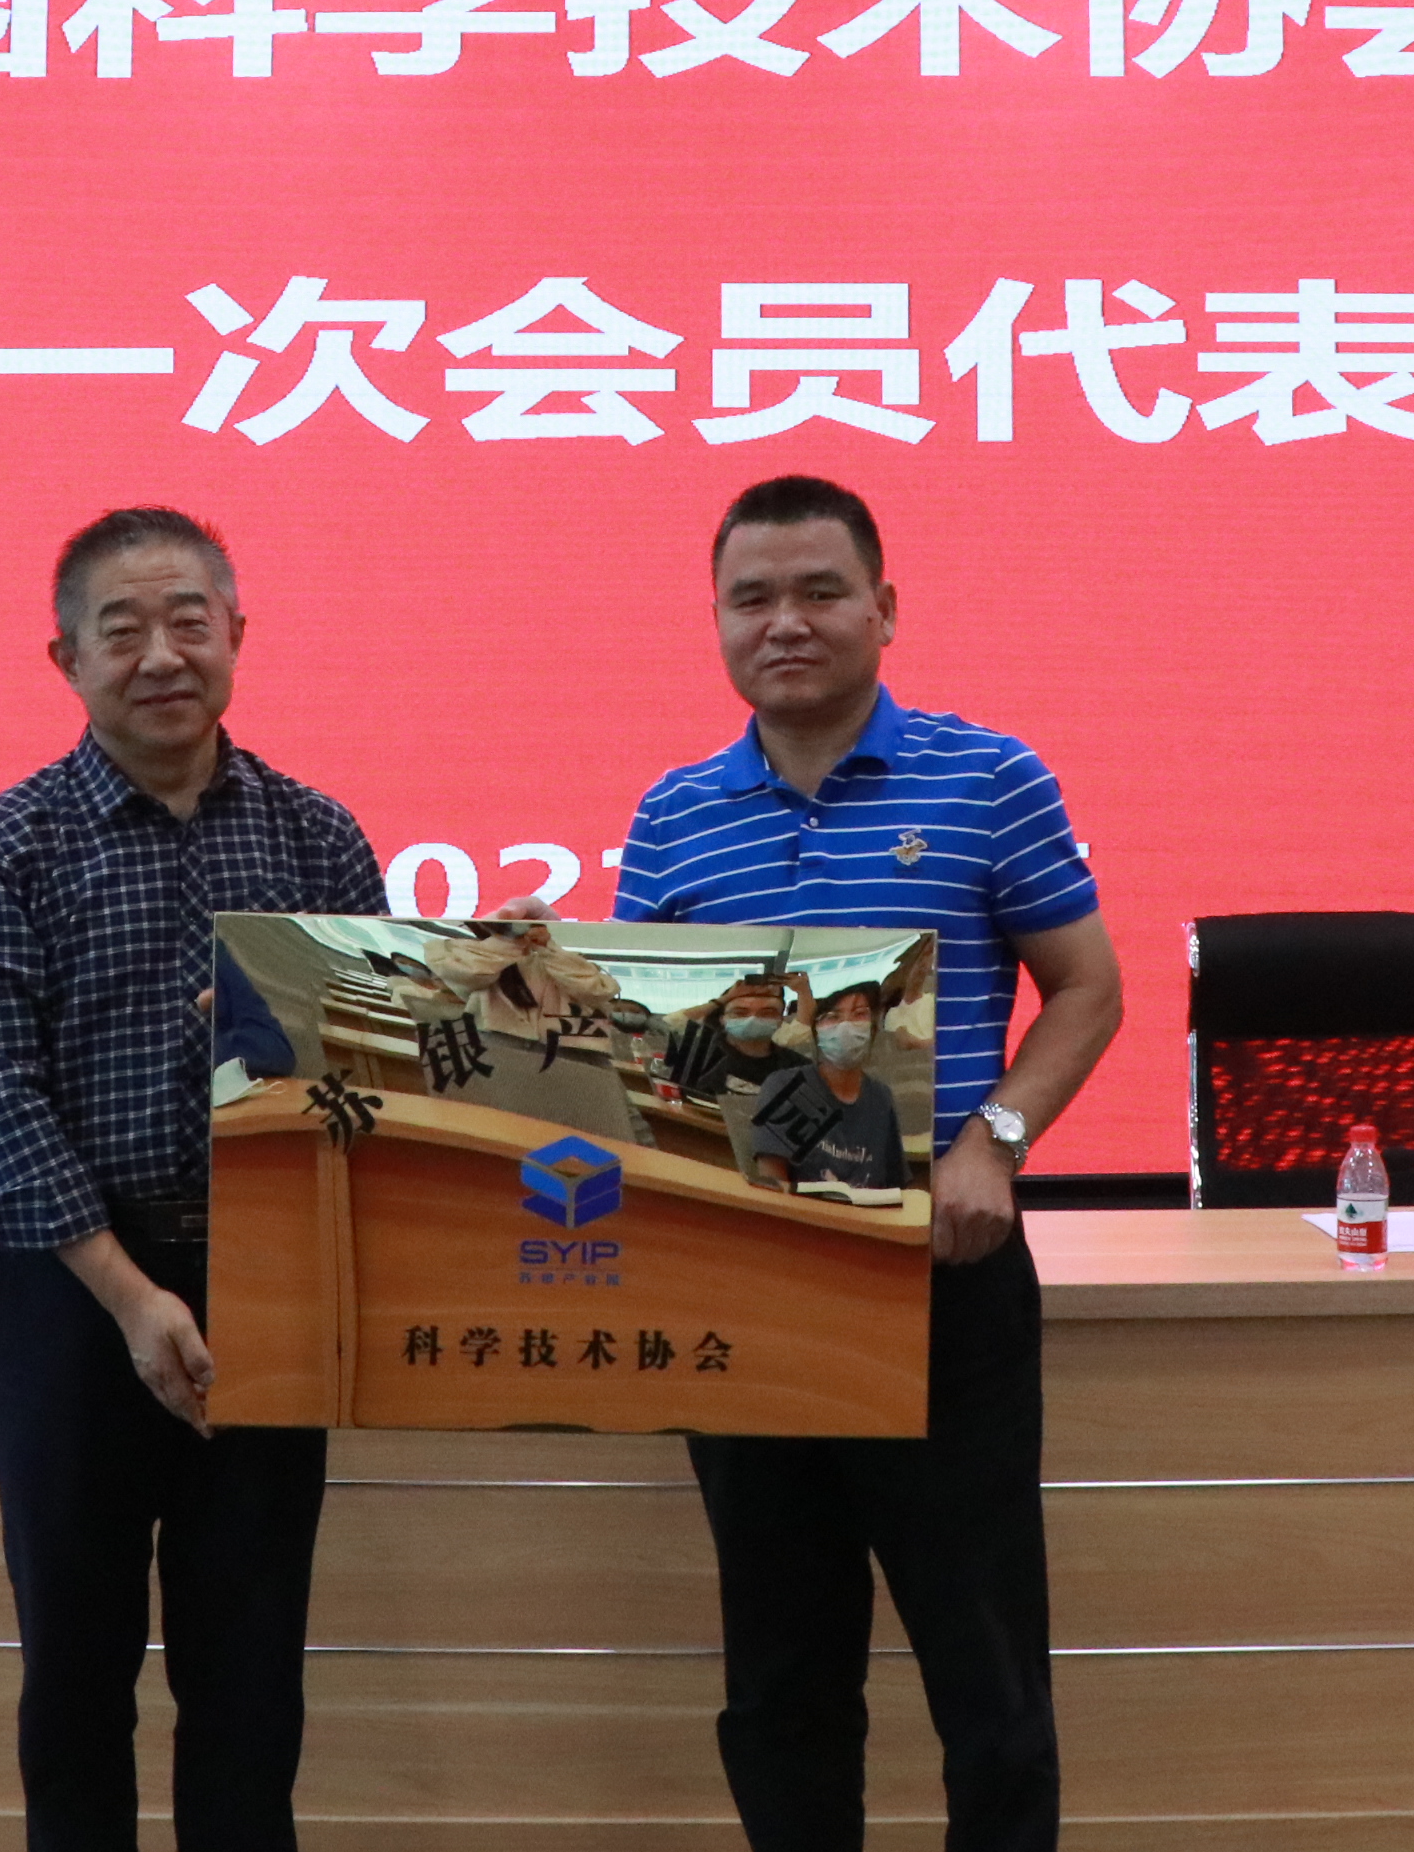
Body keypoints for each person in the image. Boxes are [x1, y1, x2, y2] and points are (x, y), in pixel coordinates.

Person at [589, 473, 1123, 1852]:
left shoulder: (988, 778)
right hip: (748, 1286)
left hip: (938, 1274)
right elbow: (646, 1052)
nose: (787, 622)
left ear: (884, 609)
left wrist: (995, 1142)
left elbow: (1087, 989)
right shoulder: (674, 813)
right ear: (716, 620)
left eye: (820, 591)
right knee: (781, 1683)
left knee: (985, 1675)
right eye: (752, 598)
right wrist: (537, 977)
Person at [0, 506, 384, 1852]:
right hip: (73, 1299)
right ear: (64, 657)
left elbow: (385, 1080)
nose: (162, 655)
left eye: (190, 621)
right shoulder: (2, 845)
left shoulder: (319, 838)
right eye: (121, 630)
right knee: (76, 1674)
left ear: (238, 634)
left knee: (251, 1676)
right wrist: (131, 1297)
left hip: (271, 1285)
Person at [745, 985, 907, 1193]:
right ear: (817, 1032)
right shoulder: (784, 1086)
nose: (845, 1025)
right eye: (833, 1017)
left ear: (873, 1030)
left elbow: (894, 1182)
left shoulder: (881, 1096)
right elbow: (772, 1182)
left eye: (859, 1014)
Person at [664, 972, 810, 1103]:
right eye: (741, 1012)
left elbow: (801, 1031)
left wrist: (803, 992)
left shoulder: (794, 1063)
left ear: (780, 1019)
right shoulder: (700, 1048)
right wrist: (725, 999)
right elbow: (674, 1022)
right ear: (723, 1018)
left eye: (766, 1012)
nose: (752, 1019)